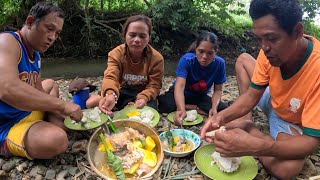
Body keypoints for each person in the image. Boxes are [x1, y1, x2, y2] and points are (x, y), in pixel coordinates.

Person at [200, 0, 320, 179]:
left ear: (297, 32)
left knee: (287, 170)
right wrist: (220, 117)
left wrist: (254, 146)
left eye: (271, 38)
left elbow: (311, 142)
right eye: (259, 39)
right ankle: (245, 120)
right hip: (273, 98)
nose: (264, 47)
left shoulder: (317, 69)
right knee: (243, 59)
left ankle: (249, 130)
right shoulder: (268, 52)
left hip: (292, 118)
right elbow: (251, 96)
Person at [0, 2, 83, 160]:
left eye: (57, 33)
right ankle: (6, 144)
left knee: (51, 84)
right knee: (57, 140)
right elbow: (7, 88)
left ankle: (44, 126)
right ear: (30, 22)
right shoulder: (6, 41)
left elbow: (38, 93)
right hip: (6, 124)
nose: (52, 38)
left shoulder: (36, 55)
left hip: (26, 111)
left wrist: (64, 111)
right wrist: (63, 106)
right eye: (49, 29)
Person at [86, 15, 164, 114]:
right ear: (125, 35)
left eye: (142, 36)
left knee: (148, 114)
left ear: (149, 37)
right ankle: (120, 107)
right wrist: (111, 94)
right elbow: (111, 77)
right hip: (120, 91)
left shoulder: (157, 58)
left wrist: (143, 98)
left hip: (142, 94)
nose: (137, 40)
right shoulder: (116, 54)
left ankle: (123, 109)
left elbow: (154, 86)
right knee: (90, 103)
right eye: (132, 35)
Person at [158, 31, 228, 126]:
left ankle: (192, 107)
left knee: (223, 109)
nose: (204, 57)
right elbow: (179, 87)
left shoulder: (220, 64)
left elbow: (218, 90)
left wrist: (214, 108)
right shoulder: (187, 60)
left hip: (199, 96)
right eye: (201, 51)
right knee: (164, 105)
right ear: (196, 49)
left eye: (210, 53)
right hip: (181, 93)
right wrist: (180, 108)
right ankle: (190, 107)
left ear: (216, 52)